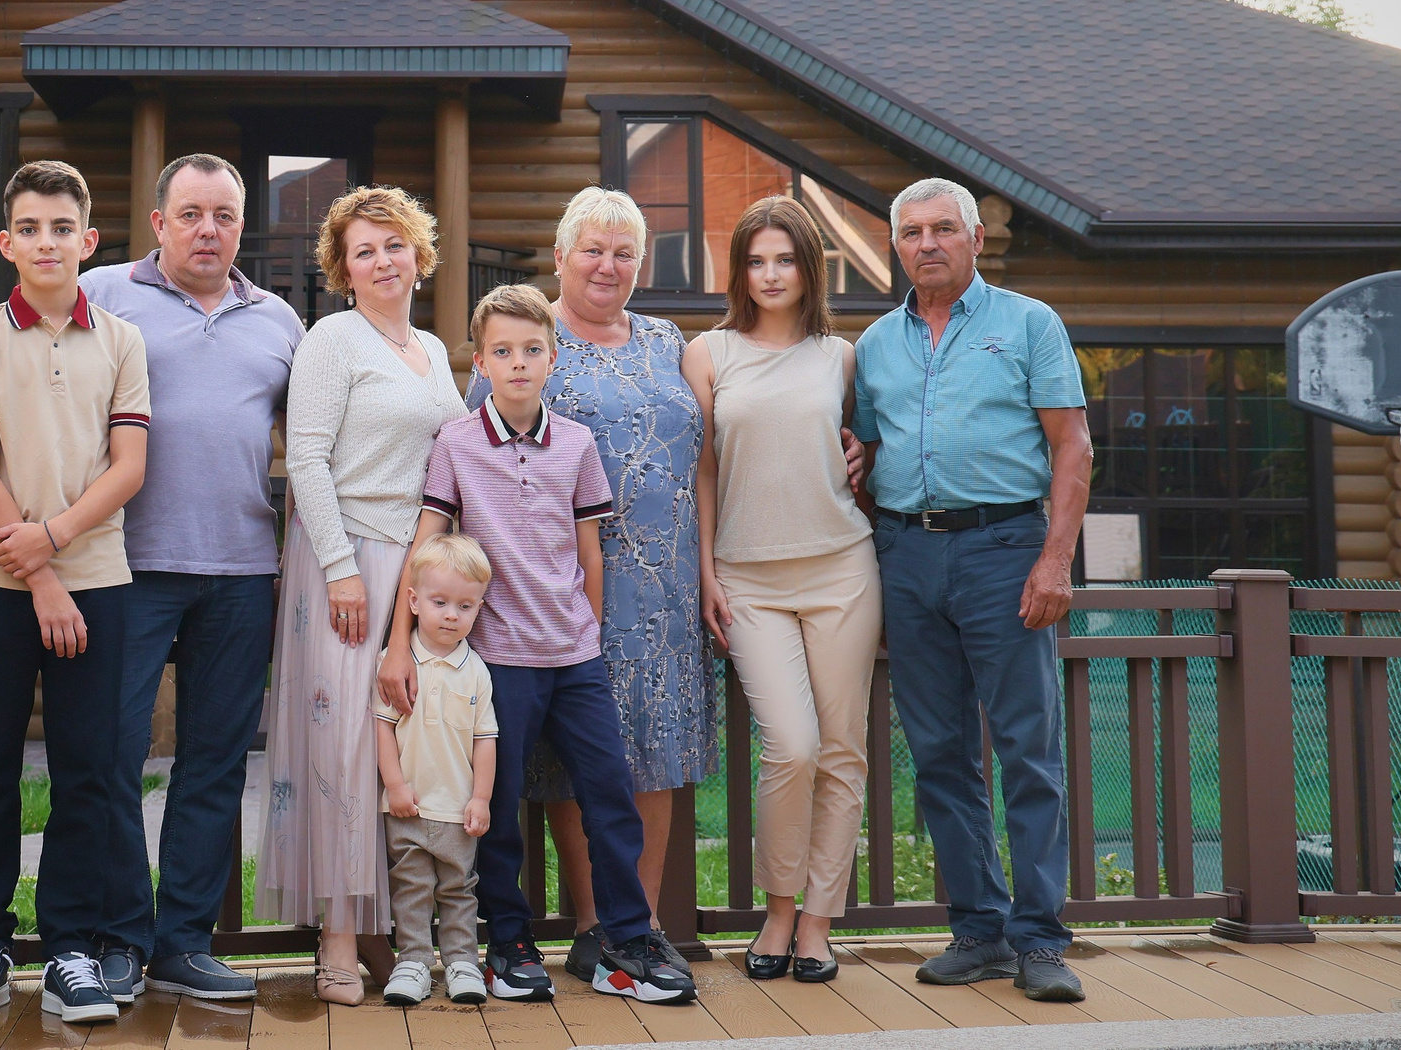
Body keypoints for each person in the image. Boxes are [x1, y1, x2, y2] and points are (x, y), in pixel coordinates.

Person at [391, 283, 695, 1009]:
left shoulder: (578, 444)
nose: (519, 363)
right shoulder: (457, 444)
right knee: (494, 806)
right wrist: (401, 641)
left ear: (552, 360)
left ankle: (626, 938)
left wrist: (584, 630)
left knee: (609, 795)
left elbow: (590, 550)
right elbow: (428, 541)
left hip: (574, 657)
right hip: (497, 661)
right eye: (503, 351)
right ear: (480, 361)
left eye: (532, 350)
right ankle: (509, 942)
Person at [468, 186, 714, 985]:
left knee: (656, 752)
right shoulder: (528, 339)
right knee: (579, 761)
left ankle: (636, 929)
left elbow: (704, 451)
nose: (608, 266)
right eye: (593, 249)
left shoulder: (666, 337)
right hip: (559, 590)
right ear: (561, 255)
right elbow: (473, 454)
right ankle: (588, 926)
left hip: (667, 586)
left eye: (624, 252)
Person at [856, 177, 1092, 1004]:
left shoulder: (1029, 324)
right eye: (912, 231)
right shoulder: (875, 345)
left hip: (1005, 546)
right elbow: (866, 453)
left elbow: (1073, 448)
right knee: (941, 754)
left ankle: (1040, 939)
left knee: (1028, 749)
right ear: (895, 245)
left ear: (976, 238)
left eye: (943, 229)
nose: (928, 243)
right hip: (907, 553)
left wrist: (1055, 560)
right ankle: (979, 931)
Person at [82, 153, 303, 1004]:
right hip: (125, 567)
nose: (208, 230)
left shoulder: (279, 320)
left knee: (212, 764)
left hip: (244, 572)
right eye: (192, 214)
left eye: (225, 215)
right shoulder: (105, 295)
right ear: (159, 222)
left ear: (242, 226)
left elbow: (316, 440)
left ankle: (181, 942)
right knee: (110, 757)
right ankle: (115, 940)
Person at [0, 160, 152, 1025]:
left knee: (90, 773)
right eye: (28, 228)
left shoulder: (123, 341)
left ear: (89, 241)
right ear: (6, 243)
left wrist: (56, 546)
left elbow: (130, 466)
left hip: (96, 581)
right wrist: (36, 575)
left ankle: (70, 945)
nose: (45, 242)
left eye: (62, 228)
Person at [258, 184, 467, 1005]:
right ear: (344, 270)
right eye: (364, 250)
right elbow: (304, 457)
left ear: (419, 253)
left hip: (415, 566)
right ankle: (338, 937)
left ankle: (390, 933)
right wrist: (342, 568)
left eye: (394, 244)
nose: (382, 260)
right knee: (343, 746)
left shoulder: (433, 348)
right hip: (341, 562)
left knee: (398, 744)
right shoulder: (332, 340)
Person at [683, 195, 873, 986]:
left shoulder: (843, 356)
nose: (770, 274)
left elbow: (860, 453)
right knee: (790, 745)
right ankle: (778, 905)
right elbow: (702, 474)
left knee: (842, 753)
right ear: (739, 270)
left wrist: (861, 451)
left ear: (809, 268)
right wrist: (706, 575)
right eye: (756, 260)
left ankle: (818, 922)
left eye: (785, 259)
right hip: (747, 578)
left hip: (841, 568)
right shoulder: (709, 354)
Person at [372, 532, 498, 1009]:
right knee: (411, 886)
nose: (451, 614)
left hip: (457, 808)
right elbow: (384, 730)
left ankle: (463, 961)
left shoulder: (477, 671)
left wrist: (480, 797)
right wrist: (396, 785)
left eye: (465, 606)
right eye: (440, 601)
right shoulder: (395, 664)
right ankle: (413, 962)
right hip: (408, 805)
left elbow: (485, 740)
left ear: (478, 607)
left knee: (459, 887)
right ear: (414, 601)